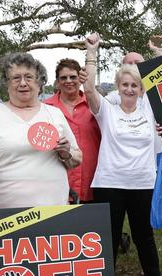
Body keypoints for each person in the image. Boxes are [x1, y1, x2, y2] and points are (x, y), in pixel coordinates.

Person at [83, 34, 162, 276]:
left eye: (135, 85)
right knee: (107, 238)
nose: (130, 89)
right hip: (109, 182)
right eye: (125, 85)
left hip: (142, 182)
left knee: (144, 236)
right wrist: (91, 52)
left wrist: (159, 53)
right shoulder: (107, 110)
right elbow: (88, 89)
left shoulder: (149, 110)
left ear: (141, 89)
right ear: (118, 86)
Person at [96, 36, 162, 276]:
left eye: (139, 66)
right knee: (122, 229)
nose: (131, 84)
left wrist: (160, 53)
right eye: (129, 65)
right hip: (119, 173)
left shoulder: (154, 98)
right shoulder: (113, 99)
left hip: (156, 167)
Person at [0, 53, 82, 218]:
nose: (22, 83)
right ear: (6, 84)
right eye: (15, 78)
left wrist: (66, 153)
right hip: (5, 215)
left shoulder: (55, 114)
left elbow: (77, 158)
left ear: (40, 82)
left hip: (54, 210)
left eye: (29, 77)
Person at [44, 59, 100, 203]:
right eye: (63, 77)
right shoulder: (45, 108)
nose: (68, 81)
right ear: (57, 81)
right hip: (58, 178)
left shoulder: (94, 104)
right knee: (62, 225)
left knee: (93, 225)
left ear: (80, 79)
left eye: (73, 77)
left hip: (91, 177)